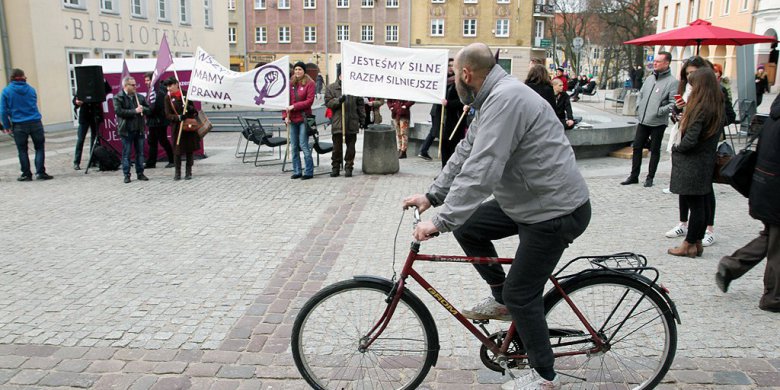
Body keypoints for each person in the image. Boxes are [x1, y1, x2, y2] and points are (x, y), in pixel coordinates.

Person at [403, 43, 591, 390]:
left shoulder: (506, 100)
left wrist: (440, 222)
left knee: (524, 292)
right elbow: (464, 153)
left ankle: (544, 377)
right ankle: (501, 298)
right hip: (529, 202)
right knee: (470, 227)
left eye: (453, 73)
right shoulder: (490, 100)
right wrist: (432, 196)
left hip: (554, 211)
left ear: (465, 74)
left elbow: (482, 168)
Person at [715, 95, 780, 312]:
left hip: (765, 185)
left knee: (771, 236)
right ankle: (773, 297)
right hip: (775, 190)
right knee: (777, 245)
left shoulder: (774, 115)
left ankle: (732, 266)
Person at [665, 57, 736, 248]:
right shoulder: (693, 95)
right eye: (687, 74)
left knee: (699, 200)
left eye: (693, 74)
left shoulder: (709, 99)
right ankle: (691, 237)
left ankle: (695, 239)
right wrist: (679, 112)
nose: (689, 78)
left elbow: (694, 134)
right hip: (698, 154)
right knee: (694, 198)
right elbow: (681, 117)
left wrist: (678, 147)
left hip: (697, 155)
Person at [621, 51, 678, 188]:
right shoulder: (649, 79)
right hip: (643, 120)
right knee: (637, 147)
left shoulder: (672, 82)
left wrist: (659, 111)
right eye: (655, 61)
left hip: (658, 122)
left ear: (666, 63)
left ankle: (650, 177)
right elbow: (641, 94)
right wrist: (640, 107)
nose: (655, 63)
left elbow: (673, 103)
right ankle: (634, 176)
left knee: (655, 149)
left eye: (658, 61)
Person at [0, 68, 53, 181]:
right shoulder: (31, 90)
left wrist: (6, 126)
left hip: (18, 124)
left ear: (11, 78)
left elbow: (3, 111)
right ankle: (40, 172)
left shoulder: (6, 91)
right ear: (24, 77)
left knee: (22, 150)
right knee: (39, 148)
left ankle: (26, 174)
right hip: (35, 122)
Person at [325, 64, 365, 177]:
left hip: (351, 122)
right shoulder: (331, 88)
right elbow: (328, 102)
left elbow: (360, 104)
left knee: (351, 148)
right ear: (339, 75)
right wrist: (338, 101)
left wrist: (362, 119)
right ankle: (336, 167)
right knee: (337, 148)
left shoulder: (355, 88)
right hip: (338, 122)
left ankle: (349, 167)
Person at [114, 76, 150, 183]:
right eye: (132, 85)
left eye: (135, 84)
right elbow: (119, 112)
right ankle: (126, 174)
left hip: (139, 128)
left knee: (140, 153)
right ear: (126, 86)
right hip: (126, 129)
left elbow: (148, 109)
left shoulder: (139, 97)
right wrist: (135, 111)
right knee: (127, 153)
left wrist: (144, 109)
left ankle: (140, 173)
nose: (135, 87)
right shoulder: (118, 97)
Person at [283, 61, 316, 180]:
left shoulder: (310, 83)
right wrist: (285, 116)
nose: (297, 72)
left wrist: (294, 106)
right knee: (294, 146)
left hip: (304, 118)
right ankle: (297, 170)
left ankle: (308, 171)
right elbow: (284, 102)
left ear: (304, 71)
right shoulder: (290, 84)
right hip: (292, 119)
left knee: (303, 144)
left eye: (300, 69)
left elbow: (309, 101)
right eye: (296, 69)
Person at [163, 77, 199, 181]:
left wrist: (190, 109)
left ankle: (188, 172)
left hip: (188, 127)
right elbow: (168, 115)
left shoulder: (185, 94)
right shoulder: (167, 98)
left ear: (176, 84)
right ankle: (177, 173)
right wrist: (178, 117)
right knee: (177, 151)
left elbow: (194, 110)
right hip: (177, 128)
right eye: (167, 86)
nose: (168, 88)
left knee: (189, 150)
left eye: (170, 86)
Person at [72, 80, 110, 170]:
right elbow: (75, 99)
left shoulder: (99, 87)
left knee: (94, 139)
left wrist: (103, 81)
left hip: (94, 115)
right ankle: (76, 161)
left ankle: (93, 160)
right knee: (81, 139)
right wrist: (76, 102)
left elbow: (108, 89)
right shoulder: (83, 87)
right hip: (85, 116)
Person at [143, 72, 174, 169]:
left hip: (159, 121)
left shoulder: (159, 91)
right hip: (153, 121)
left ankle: (172, 160)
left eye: (148, 80)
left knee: (163, 141)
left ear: (153, 80)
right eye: (145, 80)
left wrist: (145, 110)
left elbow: (157, 107)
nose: (146, 82)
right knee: (152, 141)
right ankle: (151, 162)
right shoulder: (153, 90)